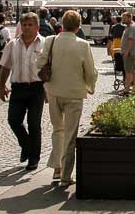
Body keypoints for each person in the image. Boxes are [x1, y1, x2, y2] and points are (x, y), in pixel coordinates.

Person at [36, 10, 97, 188]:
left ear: (62, 24)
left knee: (57, 130)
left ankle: (57, 167)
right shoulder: (83, 45)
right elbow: (90, 71)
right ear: (78, 26)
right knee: (70, 134)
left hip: (54, 91)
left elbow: (39, 63)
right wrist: (90, 86)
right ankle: (65, 175)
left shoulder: (50, 40)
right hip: (74, 93)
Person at [0, 12, 45, 171]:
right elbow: (5, 66)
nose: (26, 27)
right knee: (13, 120)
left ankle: (34, 158)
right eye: (24, 25)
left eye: (30, 24)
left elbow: (50, 68)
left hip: (36, 88)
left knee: (34, 124)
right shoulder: (12, 44)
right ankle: (26, 145)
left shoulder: (44, 44)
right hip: (17, 88)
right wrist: (1, 85)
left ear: (37, 27)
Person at [120, 11, 135, 95]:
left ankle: (126, 89)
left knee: (128, 71)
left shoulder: (132, 27)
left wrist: (126, 51)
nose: (123, 20)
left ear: (130, 17)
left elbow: (131, 40)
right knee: (133, 70)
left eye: (124, 19)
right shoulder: (129, 26)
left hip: (129, 53)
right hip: (131, 52)